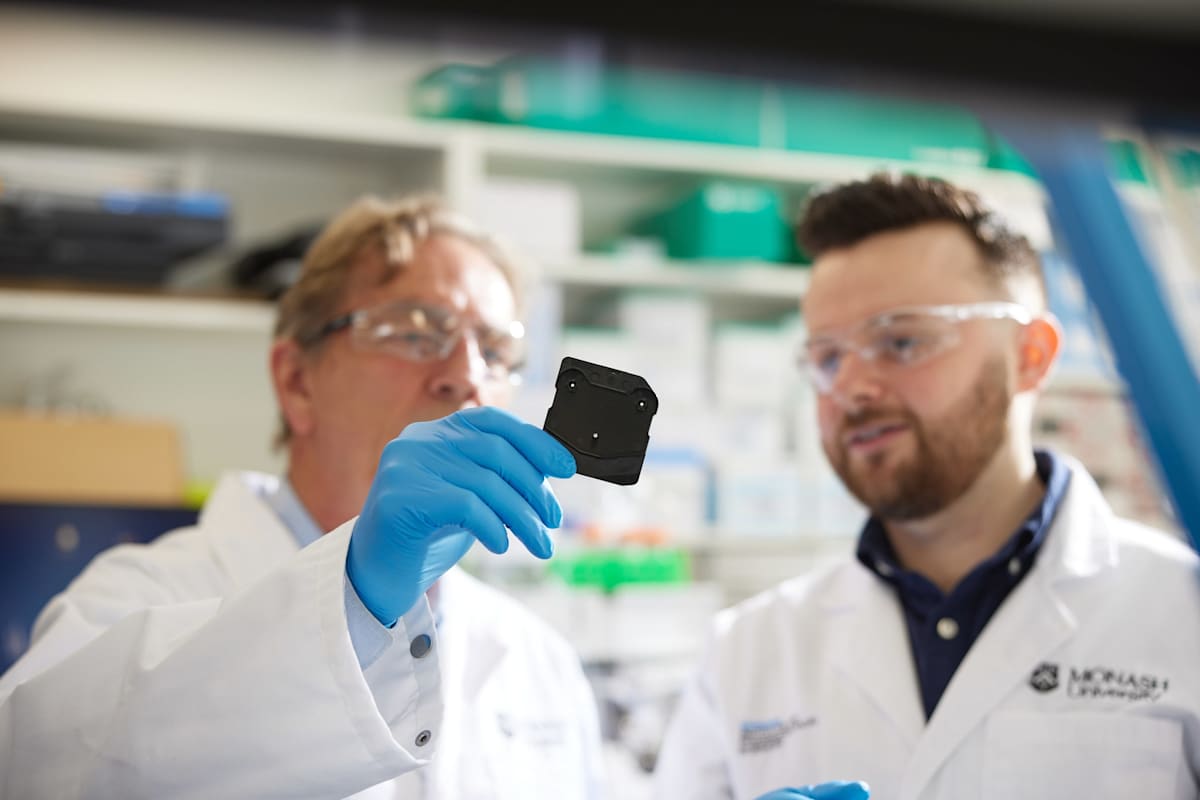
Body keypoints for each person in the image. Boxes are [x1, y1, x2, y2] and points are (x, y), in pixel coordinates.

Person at [0, 196, 605, 799]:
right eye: (418, 332)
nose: (469, 375)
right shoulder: (138, 595)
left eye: (496, 351)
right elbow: (33, 769)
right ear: (296, 382)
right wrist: (355, 602)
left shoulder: (539, 660)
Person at [653, 173, 1200, 799]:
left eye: (902, 340)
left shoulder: (1184, 611)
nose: (852, 386)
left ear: (1031, 354)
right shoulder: (748, 649)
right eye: (828, 356)